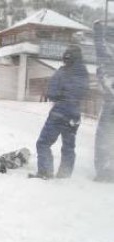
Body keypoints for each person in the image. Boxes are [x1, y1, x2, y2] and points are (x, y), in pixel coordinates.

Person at [29, 45, 89, 179]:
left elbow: (52, 93)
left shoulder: (62, 72)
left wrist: (57, 94)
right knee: (68, 146)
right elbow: (84, 93)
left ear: (67, 57)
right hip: (74, 115)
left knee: (43, 143)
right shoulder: (84, 73)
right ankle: (65, 175)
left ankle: (45, 172)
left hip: (59, 113)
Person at [92, 20, 114, 183]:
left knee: (105, 135)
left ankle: (105, 170)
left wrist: (98, 33)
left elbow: (101, 53)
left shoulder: (108, 54)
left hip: (111, 101)